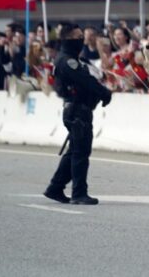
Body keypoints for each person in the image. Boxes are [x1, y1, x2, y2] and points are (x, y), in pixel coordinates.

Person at [44, 23, 112, 205]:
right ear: (67, 39)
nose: (81, 40)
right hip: (77, 110)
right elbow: (85, 81)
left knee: (75, 151)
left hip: (78, 109)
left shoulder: (70, 59)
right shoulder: (67, 61)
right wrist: (104, 92)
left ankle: (55, 187)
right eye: (77, 37)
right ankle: (79, 193)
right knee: (80, 153)